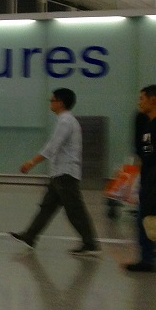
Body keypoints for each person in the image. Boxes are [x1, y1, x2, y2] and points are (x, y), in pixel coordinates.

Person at [11, 88, 100, 257]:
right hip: (59, 173)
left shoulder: (65, 121)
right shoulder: (65, 120)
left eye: (52, 100)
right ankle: (30, 236)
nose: (50, 103)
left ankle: (90, 243)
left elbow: (53, 146)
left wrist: (31, 162)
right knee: (47, 207)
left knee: (74, 210)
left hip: (66, 173)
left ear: (61, 102)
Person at [125, 85, 156, 272]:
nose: (139, 102)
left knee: (145, 217)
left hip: (153, 181)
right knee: (143, 218)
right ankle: (146, 257)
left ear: (153, 100)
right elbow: (145, 154)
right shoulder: (147, 124)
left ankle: (147, 258)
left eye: (142, 99)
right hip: (148, 179)